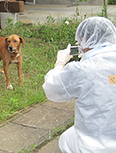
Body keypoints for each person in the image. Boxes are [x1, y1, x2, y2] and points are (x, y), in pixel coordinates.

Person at [42, 16, 116, 153]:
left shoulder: (82, 70)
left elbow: (52, 90)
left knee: (65, 138)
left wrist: (60, 63)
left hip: (94, 147)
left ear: (83, 40)